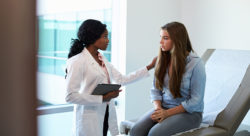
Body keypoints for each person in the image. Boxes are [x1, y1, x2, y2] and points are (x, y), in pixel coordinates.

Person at [65, 19, 157, 136]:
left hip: (106, 112)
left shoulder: (101, 58)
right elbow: (70, 96)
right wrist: (102, 98)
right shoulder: (77, 61)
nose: (108, 40)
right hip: (89, 118)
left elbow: (122, 79)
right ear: (93, 38)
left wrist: (149, 66)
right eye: (105, 37)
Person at [130, 22, 206, 136]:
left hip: (190, 114)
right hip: (164, 107)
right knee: (136, 131)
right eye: (161, 37)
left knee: (154, 134)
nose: (160, 42)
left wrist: (167, 113)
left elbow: (195, 101)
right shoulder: (162, 59)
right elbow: (155, 90)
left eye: (165, 38)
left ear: (177, 40)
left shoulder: (195, 63)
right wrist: (159, 110)